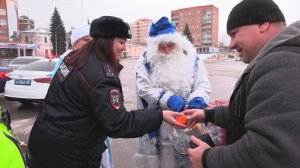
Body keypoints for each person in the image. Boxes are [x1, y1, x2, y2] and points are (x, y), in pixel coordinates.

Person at [28, 16, 186, 168]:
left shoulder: (73, 59)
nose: (124, 47)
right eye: (121, 42)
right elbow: (118, 124)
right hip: (70, 156)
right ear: (107, 40)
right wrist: (160, 115)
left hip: (43, 143)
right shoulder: (102, 76)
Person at [183, 0, 300, 167]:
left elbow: (270, 153)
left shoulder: (281, 63)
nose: (231, 44)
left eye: (234, 33)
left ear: (263, 24)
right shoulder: (278, 60)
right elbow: (248, 111)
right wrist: (208, 115)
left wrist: (207, 158)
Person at [133, 16, 211, 168]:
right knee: (165, 159)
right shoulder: (145, 61)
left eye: (170, 45)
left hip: (190, 118)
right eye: (162, 47)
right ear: (154, 47)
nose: (167, 50)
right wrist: (166, 98)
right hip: (161, 122)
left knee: (191, 157)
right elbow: (143, 87)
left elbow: (202, 83)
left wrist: (198, 99)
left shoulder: (191, 58)